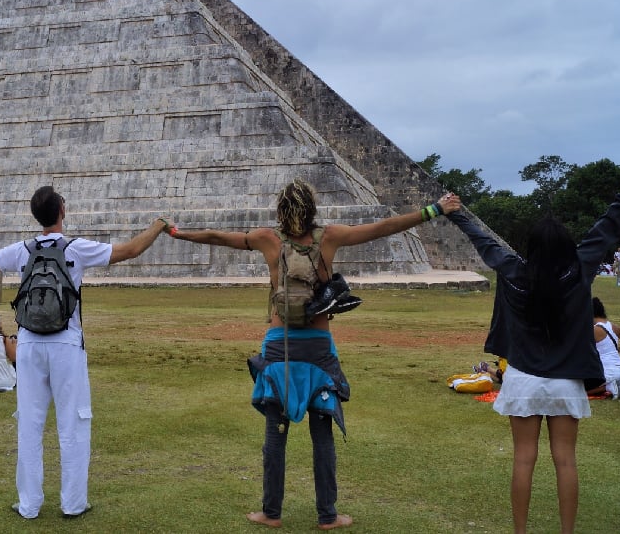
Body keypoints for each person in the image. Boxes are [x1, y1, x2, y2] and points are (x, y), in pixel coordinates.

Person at [168, 178, 458, 530]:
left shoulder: (267, 239)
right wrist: (434, 210)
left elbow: (218, 237)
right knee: (323, 437)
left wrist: (180, 235)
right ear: (312, 208)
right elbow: (384, 228)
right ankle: (328, 515)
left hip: (279, 345)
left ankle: (270, 513)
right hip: (319, 347)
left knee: (276, 435)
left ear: (281, 209)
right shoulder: (330, 237)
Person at [440, 172, 620, 534]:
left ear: (531, 246)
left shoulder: (512, 271)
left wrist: (456, 213)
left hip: (522, 378)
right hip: (565, 381)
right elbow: (604, 232)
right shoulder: (578, 270)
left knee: (523, 461)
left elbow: (483, 240)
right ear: (567, 246)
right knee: (565, 462)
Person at [0, 186, 170, 520]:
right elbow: (130, 251)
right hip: (66, 342)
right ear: (62, 210)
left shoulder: (23, 250)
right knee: (74, 423)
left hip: (29, 344)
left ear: (35, 215)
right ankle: (73, 502)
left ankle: (29, 504)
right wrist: (158, 225)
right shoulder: (76, 248)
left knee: (30, 424)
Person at [591, 297, 620, 399]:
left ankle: (609, 387)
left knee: (577, 390)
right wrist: (615, 351)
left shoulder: (594, 330)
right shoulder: (614, 327)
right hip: (619, 370)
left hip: (605, 372)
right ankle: (614, 385)